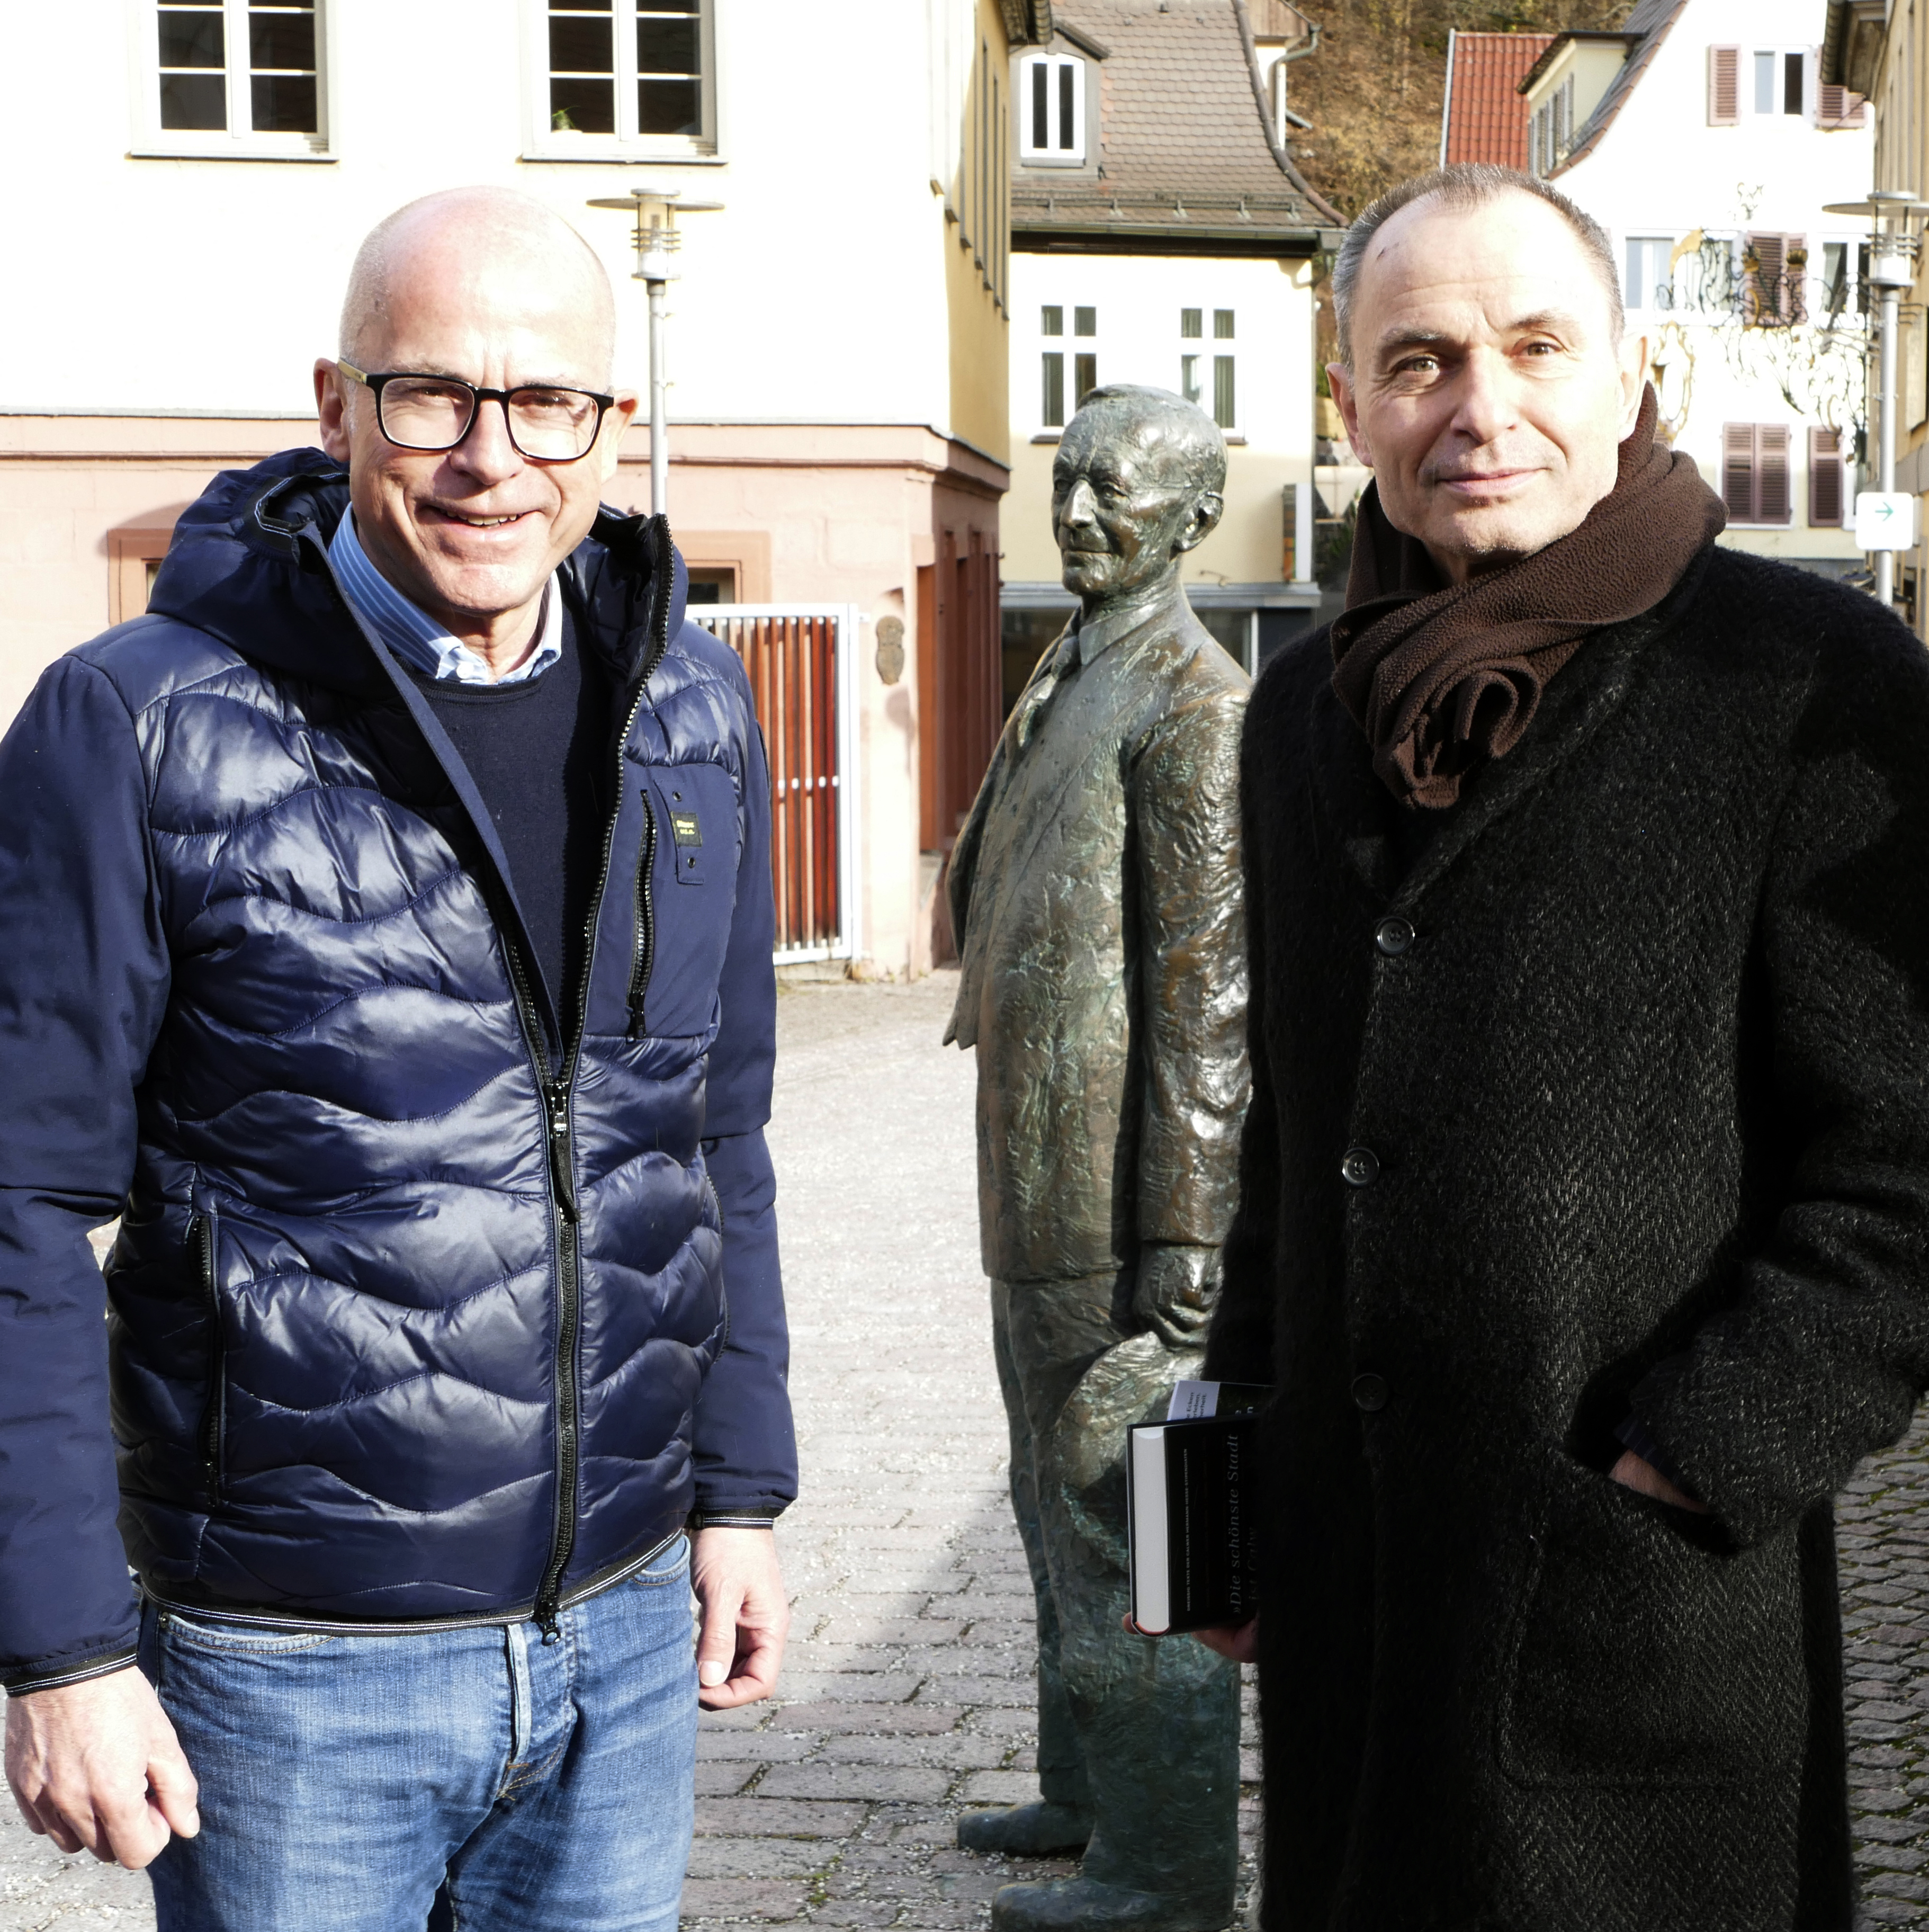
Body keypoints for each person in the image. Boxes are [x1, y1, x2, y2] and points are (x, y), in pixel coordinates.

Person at [1191, 163, 1929, 1931]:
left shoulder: (1802, 679)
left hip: (1639, 1629)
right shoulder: (1300, 717)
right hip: (1357, 1629)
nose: (1479, 407)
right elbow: (1298, 1139)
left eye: (1536, 346)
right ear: (1348, 404)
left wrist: (1693, 1460)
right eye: (1420, 360)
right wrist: (1237, 1476)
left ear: (1634, 373)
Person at [0, 186, 794, 1930]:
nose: (491, 460)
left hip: (623, 1638)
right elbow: (21, 1203)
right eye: (431, 395)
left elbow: (712, 1130)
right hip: (294, 1671)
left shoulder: (693, 709)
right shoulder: (134, 722)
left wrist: (738, 1494)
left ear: (612, 424)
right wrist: (61, 1651)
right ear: (336, 403)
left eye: (547, 404)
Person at [941, 384, 1252, 1932]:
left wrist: (1189, 1240)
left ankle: (1167, 1869)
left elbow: (1209, 994)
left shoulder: (1194, 705)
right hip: (1038, 1179)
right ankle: (1089, 1790)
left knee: (1130, 1524)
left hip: (1117, 1206)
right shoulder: (1079, 664)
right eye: (1065, 482)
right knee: (1046, 1500)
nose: (1075, 513)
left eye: (1112, 492)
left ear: (1195, 518)